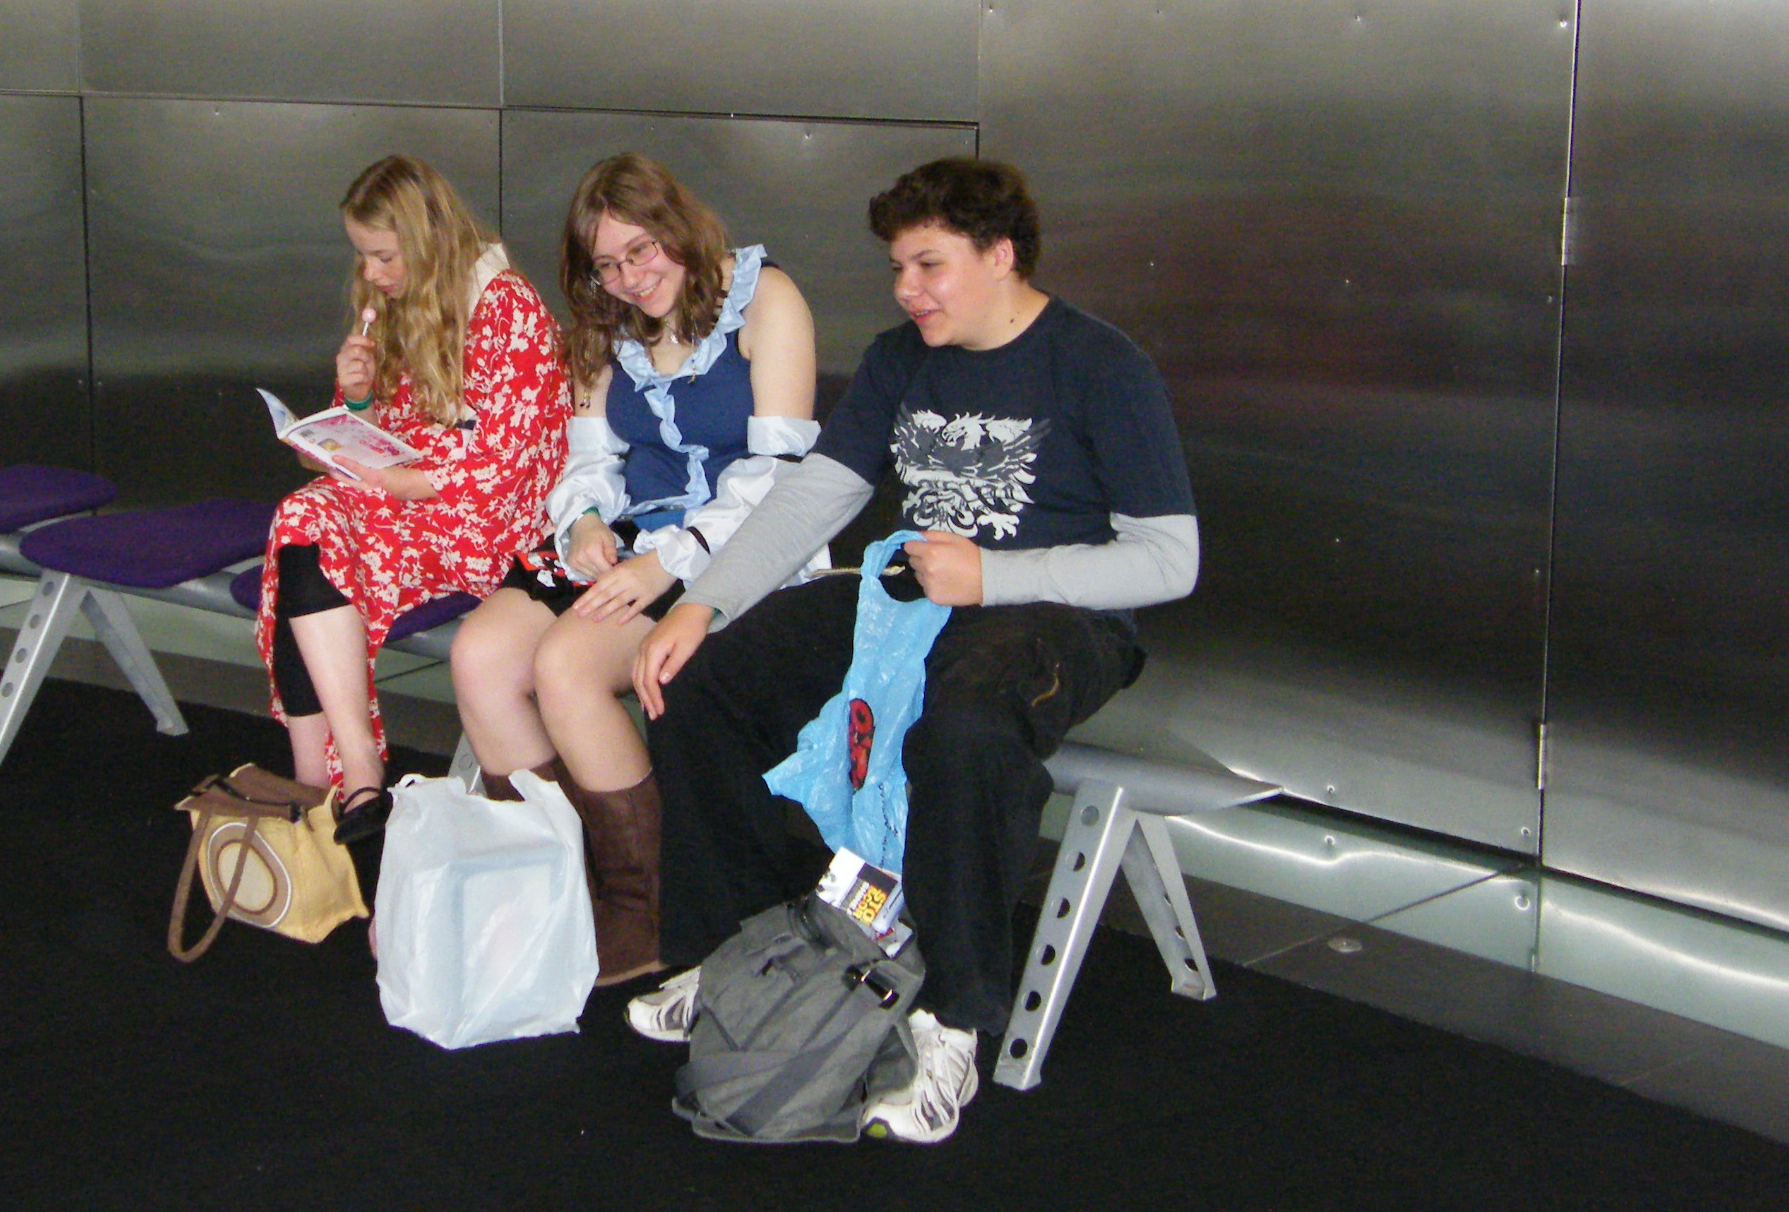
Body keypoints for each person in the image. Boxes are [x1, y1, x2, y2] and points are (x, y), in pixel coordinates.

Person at [623, 156, 1199, 1144]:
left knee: (962, 729)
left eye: (929, 266)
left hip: (1057, 617)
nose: (906, 289)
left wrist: (995, 576)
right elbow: (818, 493)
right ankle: (744, 956)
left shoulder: (1100, 365)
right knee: (703, 680)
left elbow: (1169, 560)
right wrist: (702, 605)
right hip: (913, 597)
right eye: (898, 267)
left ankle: (953, 1021)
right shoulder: (902, 358)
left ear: (1001, 256)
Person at [449, 155, 820, 984]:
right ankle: (548, 882)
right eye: (608, 266)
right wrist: (583, 520)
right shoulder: (607, 319)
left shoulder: (766, 299)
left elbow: (779, 480)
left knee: (566, 665)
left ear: (678, 227)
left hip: (735, 548)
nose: (629, 279)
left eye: (642, 252)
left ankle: (642, 901)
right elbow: (589, 455)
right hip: (631, 536)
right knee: (479, 656)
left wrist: (665, 564)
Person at [253, 155, 569, 844]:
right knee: (302, 520)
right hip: (407, 508)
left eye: (383, 256)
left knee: (309, 537)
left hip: (487, 523)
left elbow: (502, 463)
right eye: (363, 256)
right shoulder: (401, 307)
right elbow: (360, 448)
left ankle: (320, 788)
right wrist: (357, 399)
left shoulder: (506, 305)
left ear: (427, 242)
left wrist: (389, 482)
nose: (371, 273)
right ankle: (354, 768)